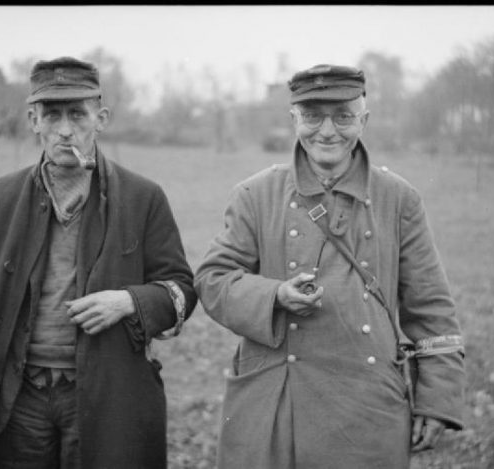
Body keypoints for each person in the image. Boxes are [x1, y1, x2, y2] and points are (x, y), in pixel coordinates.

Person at [0, 57, 197, 469]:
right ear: (32, 120)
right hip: (17, 393)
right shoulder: (2, 196)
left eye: (78, 113)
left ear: (101, 118)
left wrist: (128, 301)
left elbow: (182, 288)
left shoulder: (143, 197)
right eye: (51, 115)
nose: (65, 129)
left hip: (101, 396)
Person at [194, 64, 465, 468]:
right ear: (293, 119)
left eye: (342, 116)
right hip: (276, 402)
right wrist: (274, 296)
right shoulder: (255, 194)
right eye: (312, 115)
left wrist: (436, 400)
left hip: (368, 405)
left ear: (364, 119)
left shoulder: (399, 199)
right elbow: (212, 280)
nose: (327, 131)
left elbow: (432, 310)